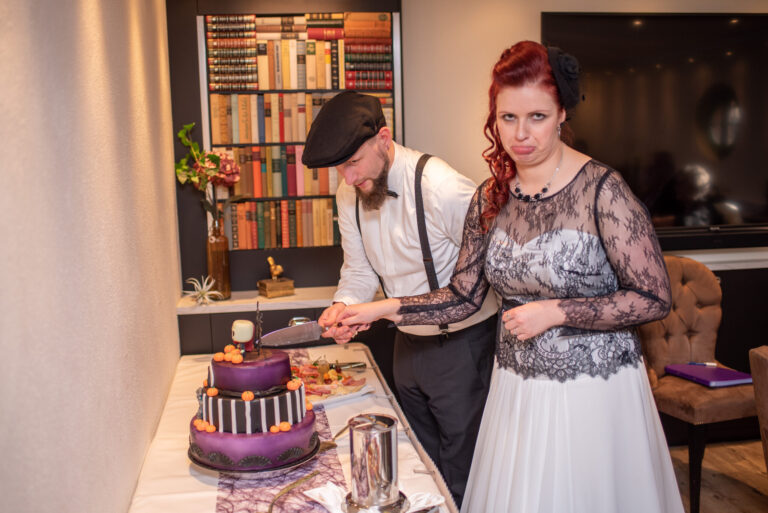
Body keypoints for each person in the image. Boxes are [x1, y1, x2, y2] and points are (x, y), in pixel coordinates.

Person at [336, 42, 685, 513]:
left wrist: (557, 311)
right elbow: (463, 296)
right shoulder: (490, 197)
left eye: (537, 117)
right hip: (516, 389)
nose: (521, 134)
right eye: (507, 119)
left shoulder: (603, 190)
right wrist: (380, 309)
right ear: (493, 118)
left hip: (594, 393)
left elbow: (653, 298)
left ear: (561, 113)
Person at [301, 91, 498, 506]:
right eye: (340, 168)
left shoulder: (440, 186)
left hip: (462, 347)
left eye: (352, 163)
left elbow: (489, 268)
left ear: (384, 139)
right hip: (405, 345)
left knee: (464, 472)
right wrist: (344, 305)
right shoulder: (348, 195)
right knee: (414, 464)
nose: (348, 179)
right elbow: (358, 270)